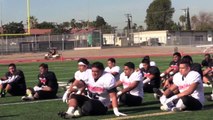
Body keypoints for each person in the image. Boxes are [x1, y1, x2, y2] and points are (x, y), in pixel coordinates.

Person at [58, 62, 126, 118]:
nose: (94, 73)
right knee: (74, 96)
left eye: (96, 71)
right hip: (89, 100)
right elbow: (79, 83)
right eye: (93, 71)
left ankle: (78, 112)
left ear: (102, 71)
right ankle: (69, 112)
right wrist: (69, 91)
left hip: (101, 105)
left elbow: (113, 96)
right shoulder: (88, 74)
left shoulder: (108, 78)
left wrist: (116, 110)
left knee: (89, 104)